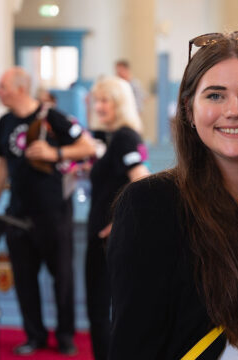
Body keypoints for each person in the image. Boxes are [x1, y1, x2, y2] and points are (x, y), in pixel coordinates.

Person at [107, 31, 238, 359]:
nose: (234, 110)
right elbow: (133, 345)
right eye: (215, 96)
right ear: (189, 110)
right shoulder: (150, 204)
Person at [0, 67, 95, 355]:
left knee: (62, 279)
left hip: (54, 214)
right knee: (23, 279)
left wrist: (54, 153)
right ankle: (34, 335)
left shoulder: (52, 117)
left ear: (21, 88)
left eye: (2, 87)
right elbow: (1, 167)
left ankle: (65, 337)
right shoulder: (4, 122)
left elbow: (88, 146)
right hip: (16, 214)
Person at [85, 76, 150, 360]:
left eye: (105, 101)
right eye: (96, 100)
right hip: (101, 237)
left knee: (102, 313)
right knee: (100, 313)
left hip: (108, 241)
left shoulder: (124, 136)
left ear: (119, 104)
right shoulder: (114, 137)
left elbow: (143, 182)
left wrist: (118, 225)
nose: (98, 107)